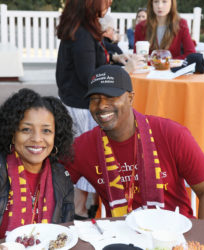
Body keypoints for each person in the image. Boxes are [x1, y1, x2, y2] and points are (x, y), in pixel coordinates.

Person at [65, 64, 204, 221]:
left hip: (175, 236)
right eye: (94, 99)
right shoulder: (83, 147)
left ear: (131, 98)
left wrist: (203, 242)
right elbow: (52, 185)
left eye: (110, 97)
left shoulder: (171, 134)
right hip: (120, 237)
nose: (101, 106)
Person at [55, 0, 140, 220]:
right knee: (86, 155)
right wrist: (125, 69)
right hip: (81, 106)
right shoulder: (82, 33)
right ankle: (80, 209)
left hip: (73, 100)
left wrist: (113, 57)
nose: (109, 3)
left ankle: (89, 205)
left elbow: (90, 61)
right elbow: (89, 77)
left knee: (84, 152)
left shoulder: (80, 27)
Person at [0, 88, 74, 250]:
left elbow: (64, 232)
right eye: (26, 129)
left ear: (55, 136)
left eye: (46, 130)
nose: (36, 138)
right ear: (12, 133)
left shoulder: (61, 177)